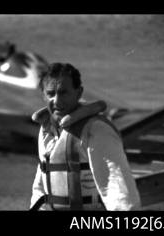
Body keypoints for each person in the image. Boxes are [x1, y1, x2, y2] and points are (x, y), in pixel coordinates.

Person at [29, 62, 141, 211]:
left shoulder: (97, 130)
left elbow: (118, 189)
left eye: (63, 92)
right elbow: (41, 188)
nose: (57, 100)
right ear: (43, 95)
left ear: (79, 93)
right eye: (51, 93)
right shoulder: (45, 131)